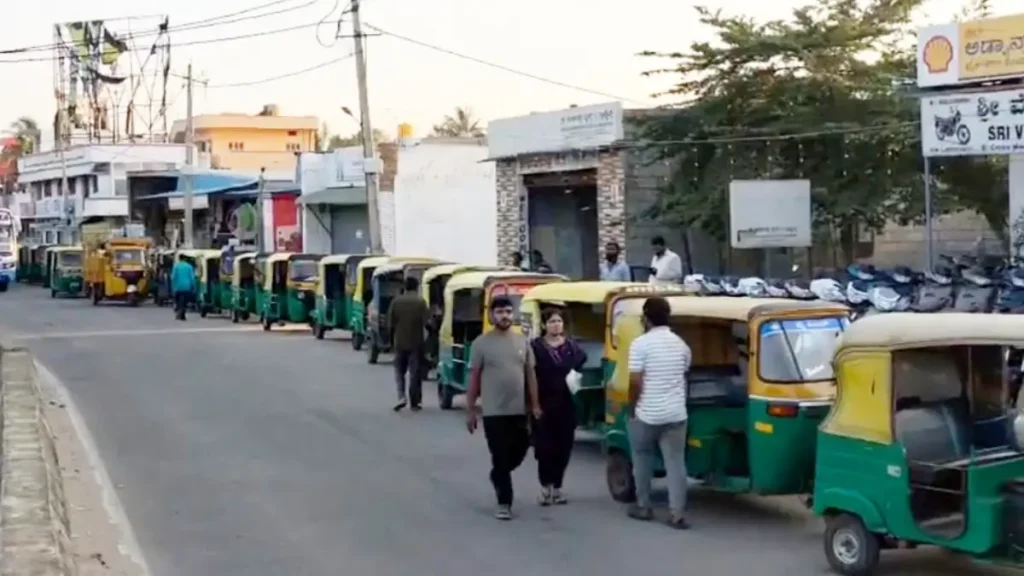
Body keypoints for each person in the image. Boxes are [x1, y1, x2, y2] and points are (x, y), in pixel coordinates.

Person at [466, 296, 542, 520]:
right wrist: (471, 410)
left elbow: (531, 375)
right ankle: (504, 502)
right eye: (500, 312)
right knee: (499, 456)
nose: (505, 316)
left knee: (519, 452)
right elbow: (474, 377)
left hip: (519, 410)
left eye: (508, 312)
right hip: (493, 412)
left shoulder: (522, 342)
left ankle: (498, 475)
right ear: (491, 315)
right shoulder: (481, 343)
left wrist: (535, 405)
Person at [627, 296, 692, 529]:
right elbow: (683, 381)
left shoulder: (640, 344)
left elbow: (635, 381)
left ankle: (644, 506)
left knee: (642, 458)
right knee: (676, 463)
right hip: (676, 415)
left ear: (646, 318)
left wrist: (632, 408)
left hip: (648, 414)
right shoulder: (682, 346)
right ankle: (677, 513)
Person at [530, 308, 586, 505]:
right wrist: (533, 404)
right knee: (545, 448)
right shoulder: (536, 347)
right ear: (545, 324)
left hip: (567, 404)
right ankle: (546, 487)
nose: (556, 325)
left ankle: (558, 487)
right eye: (552, 321)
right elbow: (530, 376)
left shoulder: (572, 347)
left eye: (559, 321)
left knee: (564, 447)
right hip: (544, 404)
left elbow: (581, 364)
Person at [387, 276, 430, 412]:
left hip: (399, 342)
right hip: (416, 343)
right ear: (417, 287)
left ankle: (401, 397)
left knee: (399, 371)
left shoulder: (396, 302)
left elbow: (390, 324)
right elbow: (428, 323)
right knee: (414, 373)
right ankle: (414, 402)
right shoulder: (421, 302)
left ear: (404, 287)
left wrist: (391, 341)